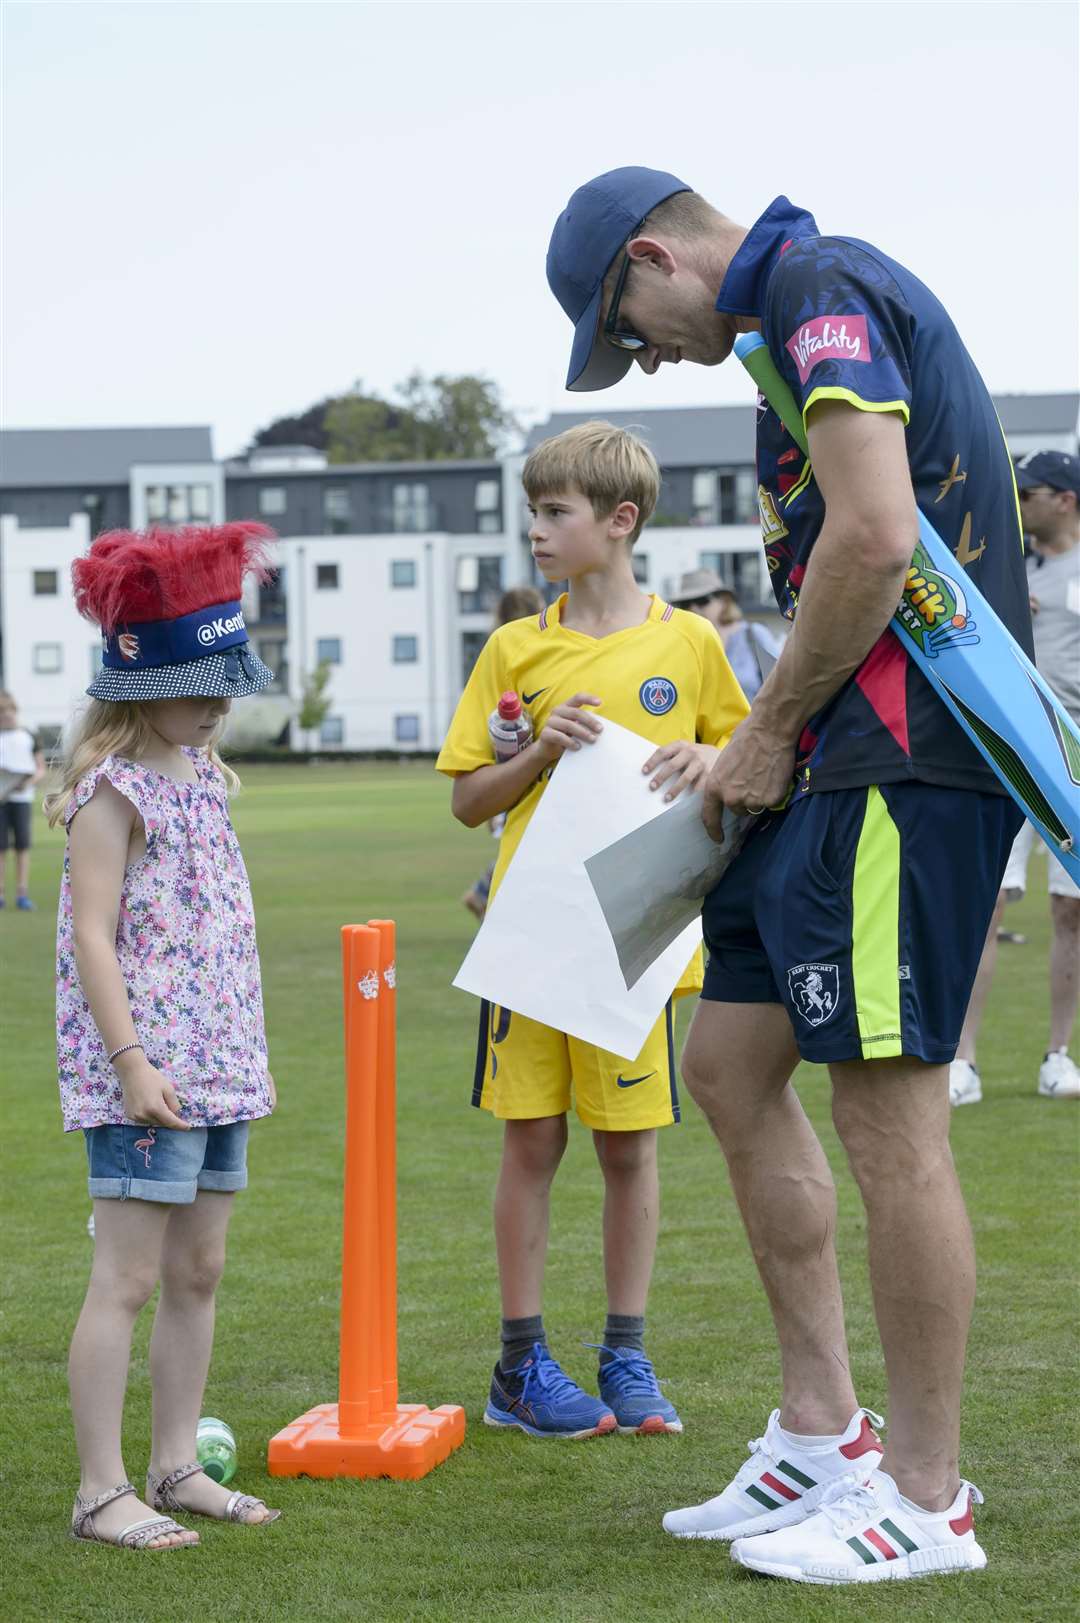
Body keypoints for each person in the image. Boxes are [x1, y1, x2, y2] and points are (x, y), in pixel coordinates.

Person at [546, 170, 1031, 1581]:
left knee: (891, 1122)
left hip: (909, 763)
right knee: (728, 1064)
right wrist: (753, 752)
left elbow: (877, 538)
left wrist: (762, 728)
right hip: (831, 763)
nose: (639, 354)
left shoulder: (823, 289)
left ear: (655, 255)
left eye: (623, 322)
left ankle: (928, 1501)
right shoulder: (781, 329)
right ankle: (827, 1433)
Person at [437, 421, 748, 1439]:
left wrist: (713, 763)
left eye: (553, 511)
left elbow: (747, 755)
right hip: (531, 944)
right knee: (531, 1141)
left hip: (636, 944)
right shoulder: (514, 650)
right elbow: (469, 802)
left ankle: (627, 1355)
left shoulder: (690, 644)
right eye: (531, 509)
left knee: (630, 1152)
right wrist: (537, 755)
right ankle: (520, 1367)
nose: (534, 528)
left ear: (620, 522)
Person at [45, 523, 282, 1550]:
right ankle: (101, 1492)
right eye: (204, 683)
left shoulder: (201, 776)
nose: (222, 701)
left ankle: (175, 1461)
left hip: (219, 1072)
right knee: (129, 1277)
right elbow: (92, 936)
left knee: (198, 1273)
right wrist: (133, 1063)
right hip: (147, 1077)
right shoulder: (114, 793)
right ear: (141, 682)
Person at [950, 450, 1080, 1105]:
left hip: (1075, 765)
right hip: (1008, 754)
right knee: (987, 905)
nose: (1019, 502)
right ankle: (962, 1061)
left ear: (1066, 499)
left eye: (1030, 493)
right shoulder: (1004, 563)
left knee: (1071, 909)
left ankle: (1058, 1055)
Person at [461, 584, 545, 922]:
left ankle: (484, 895)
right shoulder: (531, 652)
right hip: (535, 773)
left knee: (525, 846)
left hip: (508, 773)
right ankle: (486, 897)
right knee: (530, 848)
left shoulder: (495, 657)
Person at [668, 569, 783, 699]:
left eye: (702, 601)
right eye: (685, 604)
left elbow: (782, 682)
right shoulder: (680, 644)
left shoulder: (754, 634)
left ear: (723, 601)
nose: (693, 608)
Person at [0, 691, 46, 910]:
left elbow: (40, 768)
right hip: (1, 800)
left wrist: (27, 783)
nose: (7, 715)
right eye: (2, 712)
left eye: (10, 710)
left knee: (22, 847)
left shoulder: (28, 735)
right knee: (1, 849)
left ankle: (22, 894)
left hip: (22, 799)